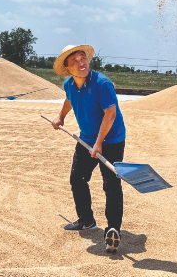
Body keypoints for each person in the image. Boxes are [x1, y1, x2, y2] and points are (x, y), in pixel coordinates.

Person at [51, 44, 127, 253]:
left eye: (82, 58)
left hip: (110, 139)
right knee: (78, 178)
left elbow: (110, 114)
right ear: (67, 68)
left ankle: (113, 229)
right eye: (74, 61)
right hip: (86, 139)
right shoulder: (69, 84)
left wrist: (99, 143)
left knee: (111, 183)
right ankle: (86, 220)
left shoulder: (102, 84)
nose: (80, 63)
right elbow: (69, 100)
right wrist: (61, 116)